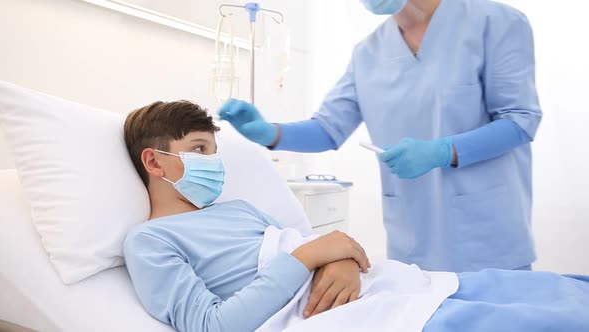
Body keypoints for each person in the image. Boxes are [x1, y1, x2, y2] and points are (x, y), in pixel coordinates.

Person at [122, 101, 587, 332]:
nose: (214, 162)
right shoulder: (150, 241)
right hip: (352, 315)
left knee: (544, 288)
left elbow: (323, 250)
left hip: (384, 281)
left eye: (215, 150)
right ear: (155, 162)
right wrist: (312, 254)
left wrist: (338, 258)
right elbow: (212, 325)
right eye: (199, 149)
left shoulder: (240, 210)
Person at [218, 0, 543, 272]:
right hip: (413, 240)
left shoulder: (495, 23)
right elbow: (328, 129)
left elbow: (520, 119)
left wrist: (443, 151)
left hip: (488, 234)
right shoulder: (368, 53)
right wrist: (269, 132)